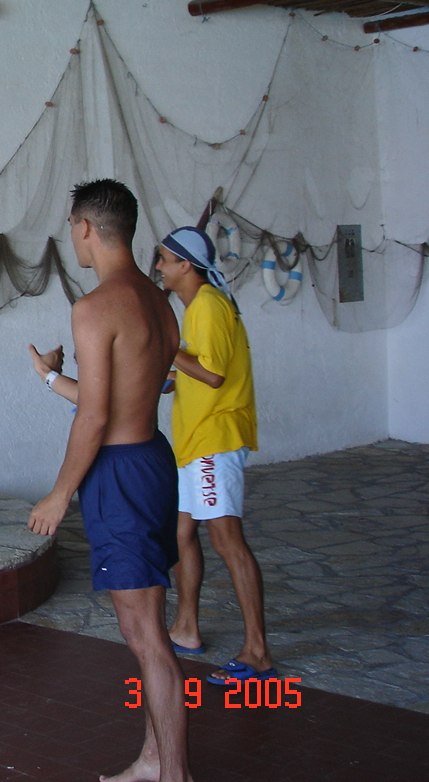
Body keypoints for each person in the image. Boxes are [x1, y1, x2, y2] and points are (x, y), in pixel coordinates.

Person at [27, 179, 191, 782]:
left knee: (145, 634)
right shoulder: (157, 301)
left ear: (87, 228)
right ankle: (153, 759)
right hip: (151, 460)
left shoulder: (94, 308)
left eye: (72, 227)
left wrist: (59, 494)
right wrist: (51, 379)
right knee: (146, 625)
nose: (73, 237)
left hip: (119, 474)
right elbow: (121, 399)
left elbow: (95, 418)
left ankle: (175, 774)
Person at [155, 226, 275, 685]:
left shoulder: (207, 305)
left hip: (214, 439)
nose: (160, 267)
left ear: (185, 264)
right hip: (195, 441)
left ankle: (258, 653)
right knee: (182, 533)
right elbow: (198, 369)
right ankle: (186, 628)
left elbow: (214, 375)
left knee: (227, 540)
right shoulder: (197, 308)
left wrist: (168, 349)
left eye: (165, 259)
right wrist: (170, 376)